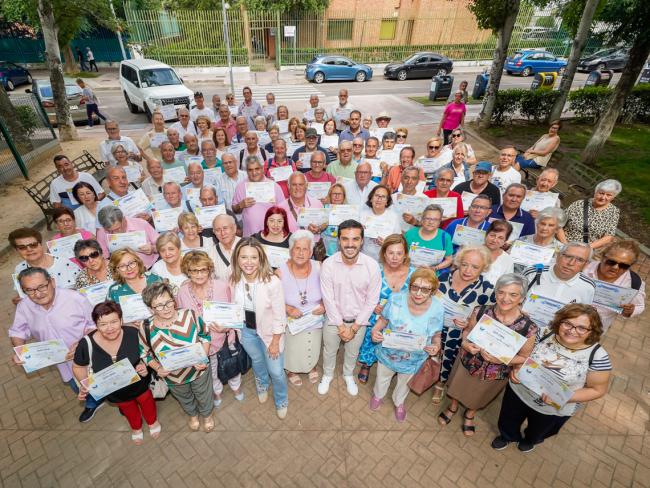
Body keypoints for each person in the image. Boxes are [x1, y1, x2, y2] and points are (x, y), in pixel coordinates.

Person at [492, 303, 612, 453]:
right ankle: (507, 436)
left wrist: (562, 397)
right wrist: (516, 368)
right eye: (567, 323)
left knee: (539, 430)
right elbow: (522, 355)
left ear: (591, 331)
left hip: (553, 408)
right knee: (508, 419)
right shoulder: (542, 333)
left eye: (581, 328)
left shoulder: (598, 356)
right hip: (519, 392)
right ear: (559, 321)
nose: (572, 331)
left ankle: (530, 440)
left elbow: (597, 390)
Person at [442, 274, 537, 436]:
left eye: (513, 294)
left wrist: (502, 359)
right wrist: (465, 343)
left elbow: (524, 357)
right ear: (496, 293)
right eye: (501, 292)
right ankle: (452, 406)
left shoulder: (529, 328)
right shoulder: (481, 311)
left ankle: (470, 414)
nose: (505, 298)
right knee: (458, 386)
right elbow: (468, 331)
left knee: (479, 394)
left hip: (495, 371)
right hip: (468, 361)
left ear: (521, 298)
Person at [10, 267, 100, 422]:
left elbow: (94, 323)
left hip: (90, 356)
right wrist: (19, 351)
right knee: (77, 387)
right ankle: (92, 404)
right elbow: (18, 331)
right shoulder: (24, 306)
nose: (37, 294)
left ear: (52, 281)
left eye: (42, 287)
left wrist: (81, 343)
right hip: (62, 363)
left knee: (101, 382)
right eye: (29, 290)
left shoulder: (74, 298)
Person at [73, 301, 160, 444]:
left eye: (114, 321)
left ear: (121, 320)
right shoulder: (86, 344)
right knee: (127, 408)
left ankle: (152, 422)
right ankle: (136, 427)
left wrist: (144, 365)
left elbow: (148, 353)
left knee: (147, 402)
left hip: (139, 384)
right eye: (103, 324)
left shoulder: (134, 334)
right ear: (96, 325)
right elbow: (78, 366)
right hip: (114, 391)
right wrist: (86, 384)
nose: (110, 328)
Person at [370, 268, 444, 421]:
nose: (418, 293)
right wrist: (375, 331)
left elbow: (436, 334)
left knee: (404, 383)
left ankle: (399, 402)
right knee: (382, 377)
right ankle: (378, 395)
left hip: (414, 358)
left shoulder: (437, 308)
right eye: (415, 287)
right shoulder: (396, 298)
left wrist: (436, 346)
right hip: (388, 352)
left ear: (433, 291)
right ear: (409, 286)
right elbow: (383, 319)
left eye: (425, 289)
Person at [140, 281, 214, 431]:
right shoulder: (146, 327)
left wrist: (203, 358)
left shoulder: (190, 314)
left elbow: (205, 336)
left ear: (173, 300)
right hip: (173, 376)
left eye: (168, 302)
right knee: (184, 397)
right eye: (159, 306)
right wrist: (158, 368)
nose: (166, 308)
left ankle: (207, 415)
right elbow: (145, 352)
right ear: (150, 308)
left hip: (198, 370)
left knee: (204, 394)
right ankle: (192, 415)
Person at [319, 220, 382, 396]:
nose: (350, 244)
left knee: (352, 352)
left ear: (362, 241)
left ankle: (348, 375)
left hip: (358, 321)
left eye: (355, 239)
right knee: (329, 350)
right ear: (339, 240)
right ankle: (328, 374)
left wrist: (354, 328)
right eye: (345, 239)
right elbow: (328, 299)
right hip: (333, 319)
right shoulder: (328, 265)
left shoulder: (372, 266)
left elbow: (371, 301)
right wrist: (340, 326)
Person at [229, 238, 289, 418]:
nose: (248, 262)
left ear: (261, 259)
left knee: (276, 371)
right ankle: (262, 384)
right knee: (257, 362)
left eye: (253, 257)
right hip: (246, 331)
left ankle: (281, 399)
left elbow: (280, 315)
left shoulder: (272, 282)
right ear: (237, 259)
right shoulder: (233, 279)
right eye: (244, 257)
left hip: (270, 334)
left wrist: (275, 341)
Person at [176, 250, 244, 407]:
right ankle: (217, 391)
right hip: (202, 344)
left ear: (209, 269)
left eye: (203, 269)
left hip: (225, 337)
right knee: (211, 371)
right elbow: (182, 317)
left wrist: (226, 328)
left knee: (232, 364)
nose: (199, 274)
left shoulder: (223, 287)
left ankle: (236, 387)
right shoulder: (182, 292)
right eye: (194, 270)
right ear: (188, 271)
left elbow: (235, 313)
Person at [432, 246, 496, 404]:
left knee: (449, 359)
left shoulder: (487, 290)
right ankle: (425, 375)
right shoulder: (443, 277)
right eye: (465, 264)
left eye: (475, 267)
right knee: (431, 355)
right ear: (459, 262)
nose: (468, 270)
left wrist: (470, 323)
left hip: (459, 334)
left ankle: (441, 384)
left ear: (484, 268)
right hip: (435, 327)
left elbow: (489, 319)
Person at [357, 234, 414, 383]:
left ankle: (392, 367)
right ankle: (367, 363)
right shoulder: (375, 270)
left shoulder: (413, 274)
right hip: (376, 317)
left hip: (401, 320)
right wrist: (371, 304)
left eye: (399, 253)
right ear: (384, 253)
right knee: (371, 337)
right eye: (391, 253)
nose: (394, 257)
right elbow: (361, 292)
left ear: (405, 255)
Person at [275, 230, 325, 386]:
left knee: (312, 345)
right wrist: (288, 308)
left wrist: (324, 305)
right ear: (290, 250)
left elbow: (330, 292)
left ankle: (311, 366)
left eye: (305, 249)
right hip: (291, 320)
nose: (301, 253)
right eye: (297, 248)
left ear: (311, 252)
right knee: (292, 348)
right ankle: (291, 369)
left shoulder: (319, 267)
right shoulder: (280, 272)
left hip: (314, 318)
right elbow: (271, 299)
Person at [583, 239, 646, 333]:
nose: (615, 267)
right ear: (602, 257)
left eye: (623, 266)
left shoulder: (634, 282)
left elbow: (639, 306)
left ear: (630, 266)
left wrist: (630, 311)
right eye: (611, 262)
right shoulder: (583, 268)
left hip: (595, 329)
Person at [9, 227, 80, 293]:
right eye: (22, 247)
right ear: (16, 250)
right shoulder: (19, 269)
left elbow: (84, 287)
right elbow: (23, 294)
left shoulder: (64, 263)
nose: (29, 249)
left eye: (33, 245)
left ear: (41, 244)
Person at [522, 242, 596, 304]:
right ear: (557, 256)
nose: (571, 263)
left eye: (580, 260)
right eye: (568, 256)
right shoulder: (533, 272)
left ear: (586, 264)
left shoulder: (588, 286)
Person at [560, 179, 621, 250]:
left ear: (613, 197)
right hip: (565, 244)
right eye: (601, 193)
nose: (603, 197)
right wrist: (565, 244)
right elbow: (559, 224)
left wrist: (586, 248)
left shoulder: (613, 212)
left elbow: (608, 236)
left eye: (608, 195)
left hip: (587, 250)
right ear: (595, 192)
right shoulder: (579, 204)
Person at [232, 156, 286, 237]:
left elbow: (284, 211)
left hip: (272, 235)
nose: (254, 173)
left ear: (262, 168)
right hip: (250, 235)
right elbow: (234, 210)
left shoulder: (274, 186)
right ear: (246, 171)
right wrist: (240, 205)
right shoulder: (240, 187)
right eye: (250, 170)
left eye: (257, 169)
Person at [404, 204, 454, 273]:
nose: (431, 222)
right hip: (409, 273)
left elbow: (449, 260)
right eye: (428, 218)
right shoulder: (410, 234)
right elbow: (402, 254)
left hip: (431, 275)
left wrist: (435, 268)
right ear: (422, 219)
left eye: (435, 219)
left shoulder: (445, 237)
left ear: (440, 222)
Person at [359, 185, 401, 259]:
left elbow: (398, 241)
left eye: (383, 197)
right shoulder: (361, 215)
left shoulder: (393, 217)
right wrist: (359, 231)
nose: (379, 199)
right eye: (377, 195)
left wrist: (386, 244)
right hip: (364, 257)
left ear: (387, 202)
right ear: (371, 199)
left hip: (385, 259)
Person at [278, 172, 324, 236]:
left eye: (301, 184)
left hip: (314, 244)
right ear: (288, 186)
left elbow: (324, 224)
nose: (297, 188)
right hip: (290, 245)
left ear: (306, 185)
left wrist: (319, 229)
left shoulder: (317, 204)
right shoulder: (280, 208)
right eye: (294, 184)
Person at [482, 220, 515, 285]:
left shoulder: (508, 260)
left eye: (500, 238)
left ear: (505, 240)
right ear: (486, 234)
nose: (494, 240)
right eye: (492, 235)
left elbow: (507, 284)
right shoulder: (472, 251)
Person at [210, 214, 241, 280]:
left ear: (234, 228)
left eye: (225, 228)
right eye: (218, 230)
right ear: (214, 233)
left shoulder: (248, 246)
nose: (222, 233)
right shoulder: (211, 253)